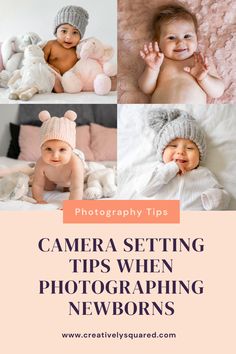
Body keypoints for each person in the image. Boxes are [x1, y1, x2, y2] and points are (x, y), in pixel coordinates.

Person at [141, 109, 230, 210]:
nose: (180, 152)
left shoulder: (204, 174)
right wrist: (170, 169)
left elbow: (224, 199)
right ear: (161, 152)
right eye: (173, 146)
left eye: (189, 148)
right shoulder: (159, 170)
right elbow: (144, 190)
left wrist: (214, 198)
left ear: (200, 155)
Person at [138, 3, 224, 103]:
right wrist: (152, 69)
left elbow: (218, 92)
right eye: (171, 37)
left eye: (187, 36)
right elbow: (146, 89)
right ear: (158, 41)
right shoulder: (158, 62)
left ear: (196, 37)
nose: (180, 42)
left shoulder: (201, 62)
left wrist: (204, 78)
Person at [32, 110, 85, 203]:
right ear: (41, 148)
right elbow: (37, 184)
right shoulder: (41, 163)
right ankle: (54, 183)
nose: (55, 156)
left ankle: (65, 186)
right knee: (48, 187)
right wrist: (39, 199)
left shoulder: (75, 163)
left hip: (70, 180)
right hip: (53, 177)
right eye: (48, 149)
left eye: (62, 150)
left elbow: (77, 187)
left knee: (70, 187)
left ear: (71, 149)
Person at [43, 5, 89, 92]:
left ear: (81, 36)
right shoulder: (51, 45)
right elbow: (39, 60)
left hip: (69, 80)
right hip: (50, 76)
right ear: (56, 31)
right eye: (64, 31)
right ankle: (55, 85)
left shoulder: (79, 49)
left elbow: (84, 66)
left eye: (75, 32)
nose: (68, 37)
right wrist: (50, 67)